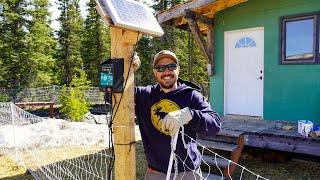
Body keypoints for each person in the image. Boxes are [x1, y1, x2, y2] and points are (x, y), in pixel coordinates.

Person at [133, 50, 221, 180]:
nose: (166, 72)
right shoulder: (145, 95)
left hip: (188, 172)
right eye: (160, 68)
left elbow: (215, 124)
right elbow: (113, 97)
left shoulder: (191, 96)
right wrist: (128, 71)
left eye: (171, 66)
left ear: (178, 70)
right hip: (156, 173)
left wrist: (190, 115)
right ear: (155, 72)